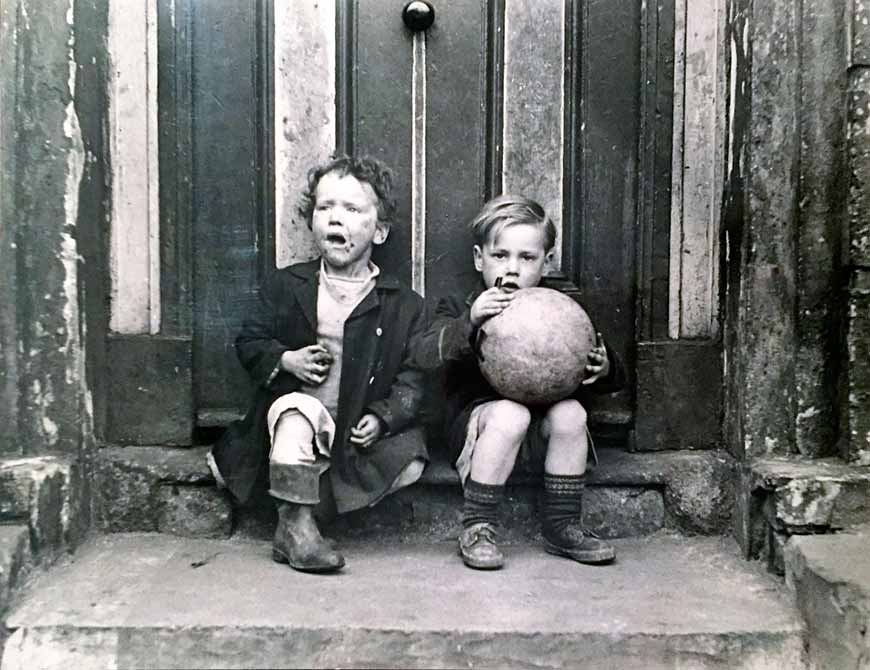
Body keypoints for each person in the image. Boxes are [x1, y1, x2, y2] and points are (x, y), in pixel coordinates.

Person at [208, 155, 428, 573]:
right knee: (297, 411)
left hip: (352, 429)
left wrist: (383, 418)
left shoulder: (403, 304)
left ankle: (303, 510)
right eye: (325, 208)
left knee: (412, 461)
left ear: (379, 230)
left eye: (352, 210)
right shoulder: (288, 284)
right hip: (294, 423)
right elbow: (250, 339)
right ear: (311, 222)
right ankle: (295, 528)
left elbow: (413, 377)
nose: (335, 219)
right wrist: (285, 360)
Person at [412, 195, 625, 570]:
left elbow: (603, 364)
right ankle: (478, 525)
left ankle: (563, 525)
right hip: (485, 434)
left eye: (527, 258)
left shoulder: (559, 308)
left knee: (572, 413)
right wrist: (470, 322)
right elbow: (426, 354)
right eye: (500, 256)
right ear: (480, 258)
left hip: (541, 435)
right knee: (510, 414)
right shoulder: (460, 304)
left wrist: (605, 367)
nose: (512, 268)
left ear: (546, 261)